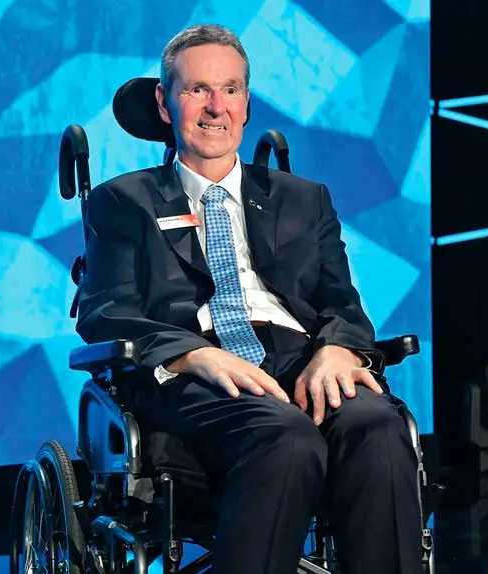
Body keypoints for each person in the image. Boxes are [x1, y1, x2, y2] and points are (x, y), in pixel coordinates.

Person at [76, 23, 422, 574]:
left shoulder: (304, 199)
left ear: (246, 104)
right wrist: (193, 353)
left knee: (378, 429)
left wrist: (339, 349)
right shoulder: (124, 201)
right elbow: (106, 313)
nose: (216, 108)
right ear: (165, 103)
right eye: (198, 90)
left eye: (230, 90)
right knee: (285, 437)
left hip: (300, 359)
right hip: (194, 372)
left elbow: (343, 303)